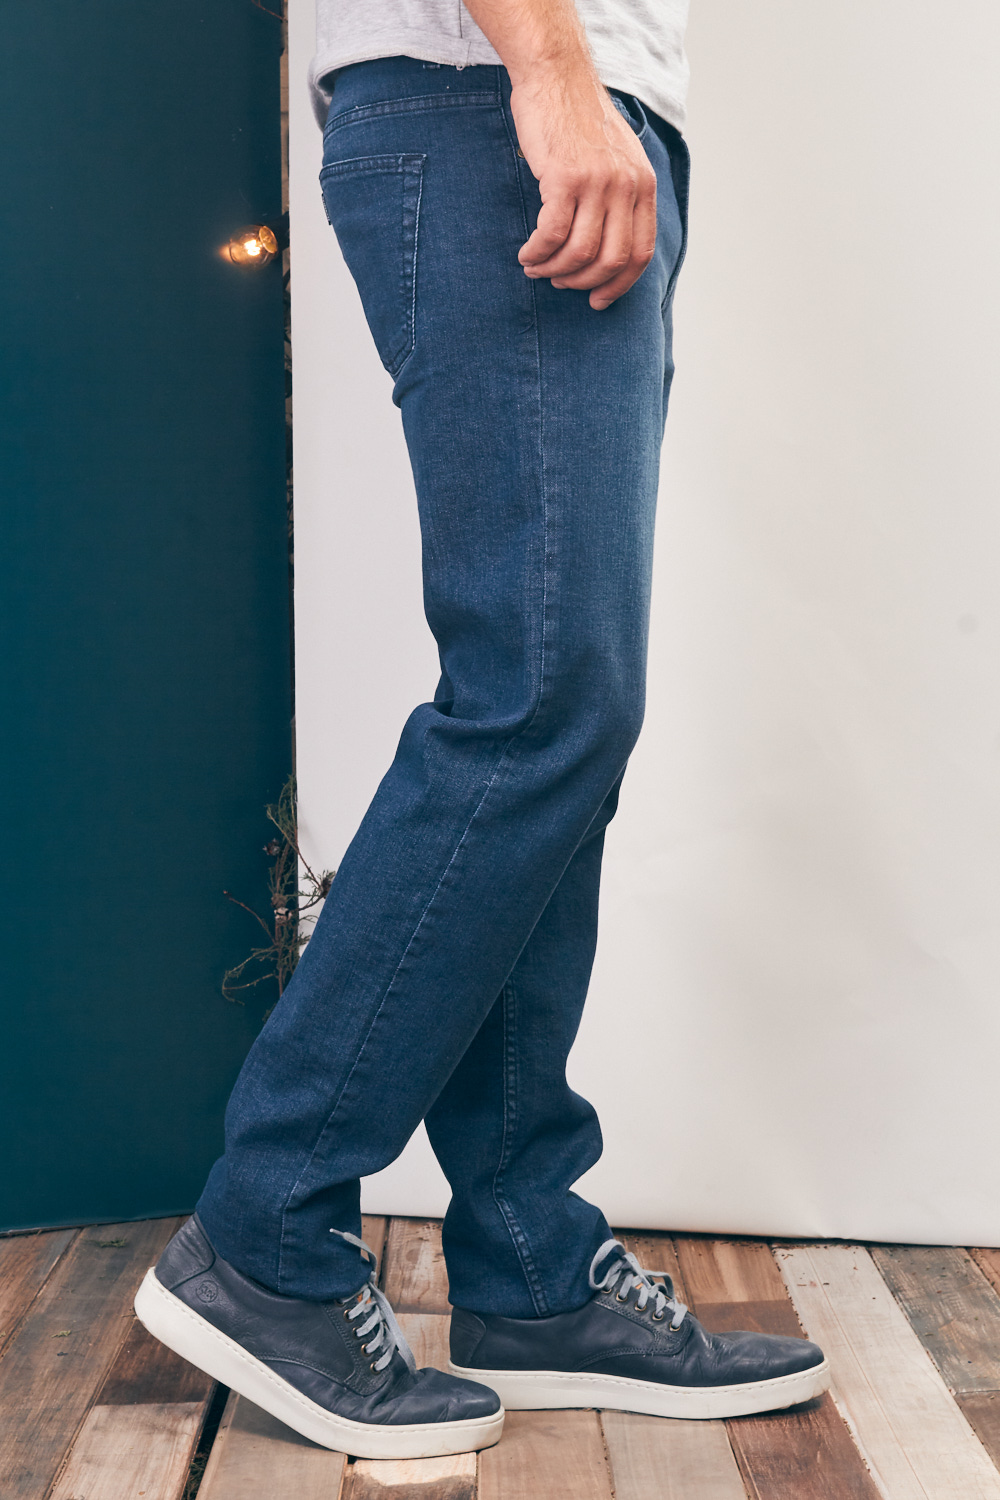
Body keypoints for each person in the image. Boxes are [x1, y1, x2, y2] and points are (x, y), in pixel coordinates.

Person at [134, 0, 829, 1460]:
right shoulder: (522, 84)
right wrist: (552, 68)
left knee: (559, 715)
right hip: (490, 102)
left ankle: (528, 1260)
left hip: (536, 111)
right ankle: (267, 1232)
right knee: (540, 701)